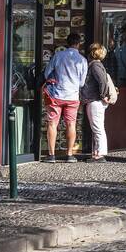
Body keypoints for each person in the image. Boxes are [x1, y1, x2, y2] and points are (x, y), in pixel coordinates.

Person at [42, 33, 88, 162]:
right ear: (79, 44)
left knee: (52, 124)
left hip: (56, 95)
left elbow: (47, 74)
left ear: (67, 43)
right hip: (72, 97)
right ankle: (69, 154)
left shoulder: (58, 55)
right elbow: (82, 83)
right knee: (71, 124)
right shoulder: (83, 60)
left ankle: (51, 155)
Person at [80, 42, 117, 161]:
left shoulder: (95, 66)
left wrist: (102, 95)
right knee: (97, 127)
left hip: (95, 100)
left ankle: (100, 154)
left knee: (98, 128)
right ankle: (96, 153)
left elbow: (102, 81)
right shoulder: (97, 65)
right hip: (95, 100)